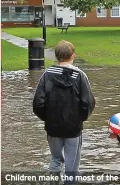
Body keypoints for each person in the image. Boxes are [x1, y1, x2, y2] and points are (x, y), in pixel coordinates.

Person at [33, 40, 95, 184]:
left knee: (55, 160)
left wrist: (48, 118)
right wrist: (80, 118)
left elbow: (37, 103)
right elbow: (88, 102)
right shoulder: (80, 76)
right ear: (73, 55)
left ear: (56, 56)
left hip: (53, 127)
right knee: (72, 166)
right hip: (73, 127)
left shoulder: (46, 76)